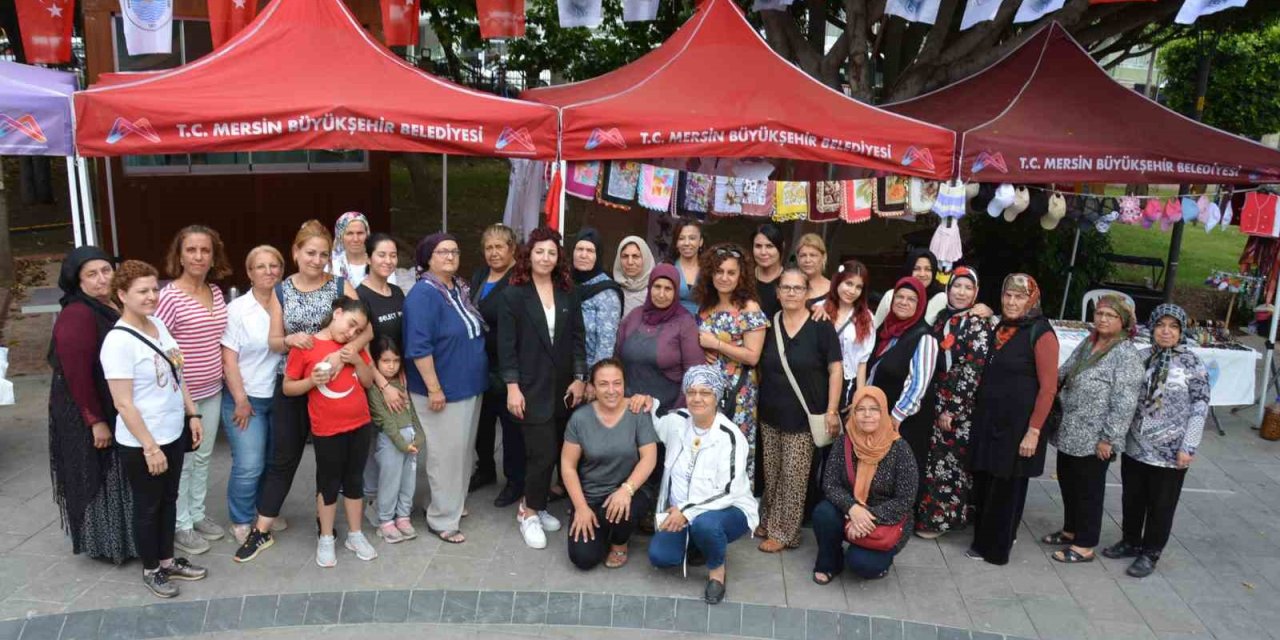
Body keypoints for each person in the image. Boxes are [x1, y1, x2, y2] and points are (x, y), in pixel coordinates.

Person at [234, 220, 363, 563]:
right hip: (292, 383)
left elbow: (365, 328)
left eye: (323, 254)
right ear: (295, 252)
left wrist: (343, 352)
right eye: (310, 253)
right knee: (284, 457)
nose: (317, 260)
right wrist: (289, 339)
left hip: (333, 382)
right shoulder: (282, 290)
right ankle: (261, 529)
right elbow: (273, 341)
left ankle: (326, 526)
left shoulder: (340, 285)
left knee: (329, 460)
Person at [101, 260, 209, 598]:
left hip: (173, 430)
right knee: (148, 506)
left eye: (154, 289)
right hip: (143, 442)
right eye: (142, 291)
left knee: (169, 499)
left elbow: (178, 373)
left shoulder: (159, 324)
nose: (151, 296)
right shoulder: (118, 342)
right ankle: (152, 569)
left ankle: (167, 559)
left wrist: (192, 414)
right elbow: (123, 403)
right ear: (122, 295)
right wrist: (150, 447)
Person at [1102, 304, 1208, 578]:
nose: (1166, 331)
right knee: (1132, 497)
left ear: (1181, 331)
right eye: (1160, 325)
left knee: (1161, 504)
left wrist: (1189, 446)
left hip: (1170, 450)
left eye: (1173, 326)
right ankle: (1130, 541)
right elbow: (1124, 398)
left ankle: (1151, 552)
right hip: (1136, 444)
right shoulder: (1142, 357)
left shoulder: (1193, 364)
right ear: (1152, 328)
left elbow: (1200, 407)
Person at [499, 227, 588, 549]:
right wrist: (512, 387)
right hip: (529, 386)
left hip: (563, 388)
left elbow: (578, 338)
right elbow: (506, 346)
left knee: (557, 451)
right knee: (542, 453)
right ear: (529, 255)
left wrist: (580, 377)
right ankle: (528, 512)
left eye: (551, 252)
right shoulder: (513, 295)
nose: (545, 258)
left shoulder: (568, 292)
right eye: (540, 252)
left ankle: (537, 502)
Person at [48, 246, 136, 564]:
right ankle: (109, 545)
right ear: (78, 280)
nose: (101, 279)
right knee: (101, 476)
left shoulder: (111, 304)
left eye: (106, 271)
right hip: (85, 407)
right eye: (92, 274)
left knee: (120, 475)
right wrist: (95, 420)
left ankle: (128, 540)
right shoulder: (78, 313)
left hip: (112, 403)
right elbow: (77, 375)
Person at [403, 232, 489, 544]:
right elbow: (419, 347)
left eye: (454, 251)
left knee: (462, 453)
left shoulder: (456, 288)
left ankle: (450, 502)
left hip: (468, 385)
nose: (450, 256)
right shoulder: (423, 295)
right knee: (445, 456)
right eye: (442, 252)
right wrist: (434, 388)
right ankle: (441, 518)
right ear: (428, 258)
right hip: (443, 390)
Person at [967, 274, 1058, 566]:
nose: (1011, 302)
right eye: (1008, 295)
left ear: (1031, 300)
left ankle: (994, 549)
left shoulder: (1041, 334)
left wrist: (1034, 431)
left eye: (1019, 297)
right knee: (986, 481)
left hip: (1018, 427)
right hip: (991, 420)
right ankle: (987, 537)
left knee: (1006, 487)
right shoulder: (1003, 327)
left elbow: (1048, 388)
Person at [649, 366, 759, 605]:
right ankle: (698, 545)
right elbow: (654, 421)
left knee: (706, 525)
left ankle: (717, 573)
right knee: (661, 556)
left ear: (716, 397)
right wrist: (645, 402)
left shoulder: (729, 436)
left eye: (705, 393)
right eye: (691, 392)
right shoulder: (677, 422)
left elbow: (728, 491)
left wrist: (686, 511)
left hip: (728, 509)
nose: (697, 398)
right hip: (680, 511)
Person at [1046, 294, 1143, 564]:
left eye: (1110, 315)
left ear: (1123, 321)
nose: (1103, 319)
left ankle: (1085, 544)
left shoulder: (1126, 354)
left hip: (1095, 436)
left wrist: (1109, 439)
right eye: (1100, 313)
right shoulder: (1090, 342)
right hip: (1071, 428)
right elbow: (1065, 370)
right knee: (1068, 481)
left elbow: (1125, 402)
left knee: (1088, 489)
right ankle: (1070, 530)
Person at [282, 297, 379, 567]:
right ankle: (326, 537)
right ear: (337, 313)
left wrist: (357, 361)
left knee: (355, 480)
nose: (351, 333)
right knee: (328, 482)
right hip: (327, 429)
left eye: (358, 331)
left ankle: (355, 534)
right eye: (351, 324)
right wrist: (312, 381)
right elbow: (288, 387)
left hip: (360, 424)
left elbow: (369, 382)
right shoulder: (307, 346)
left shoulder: (353, 348)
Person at [155, 225, 230, 556]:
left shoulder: (215, 292)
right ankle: (180, 524)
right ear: (180, 256)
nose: (199, 256)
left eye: (205, 250)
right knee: (183, 462)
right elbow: (159, 348)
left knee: (202, 457)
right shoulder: (169, 297)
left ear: (214, 257)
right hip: (181, 396)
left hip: (212, 390)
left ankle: (197, 514)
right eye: (192, 250)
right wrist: (184, 402)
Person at [756, 269, 843, 552]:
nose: (791, 293)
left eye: (797, 288)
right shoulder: (770, 323)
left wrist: (832, 410)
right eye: (786, 288)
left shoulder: (821, 325)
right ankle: (768, 520)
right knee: (772, 473)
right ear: (778, 292)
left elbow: (835, 369)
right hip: (770, 412)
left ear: (807, 293)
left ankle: (786, 533)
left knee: (793, 477)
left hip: (805, 416)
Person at [916, 266, 994, 539]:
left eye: (967, 288)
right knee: (933, 460)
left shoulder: (977, 323)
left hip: (957, 408)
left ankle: (941, 520)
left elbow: (973, 371)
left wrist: (953, 410)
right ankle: (926, 514)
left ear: (976, 292)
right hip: (934, 400)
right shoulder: (942, 318)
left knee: (948, 464)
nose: (961, 292)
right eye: (956, 286)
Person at [811, 387, 918, 584]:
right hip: (850, 509)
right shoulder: (845, 442)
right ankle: (830, 562)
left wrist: (866, 517)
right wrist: (852, 509)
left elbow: (905, 499)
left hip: (884, 518)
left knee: (863, 564)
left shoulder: (900, 449)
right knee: (823, 513)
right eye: (860, 409)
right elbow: (831, 483)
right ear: (854, 413)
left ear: (883, 412)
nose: (867, 415)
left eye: (874, 409)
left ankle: (875, 557)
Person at [563, 359, 659, 570]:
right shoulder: (580, 418)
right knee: (583, 558)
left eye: (617, 383)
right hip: (592, 494)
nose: (611, 390)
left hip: (629, 490)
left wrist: (626, 490)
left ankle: (619, 542)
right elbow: (567, 465)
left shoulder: (637, 412)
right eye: (603, 384)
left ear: (624, 384)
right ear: (593, 387)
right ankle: (603, 527)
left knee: (621, 513)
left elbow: (649, 458)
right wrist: (581, 508)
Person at [220, 246, 285, 545]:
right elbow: (229, 359)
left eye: (274, 265)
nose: (269, 271)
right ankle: (241, 519)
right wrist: (240, 399)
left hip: (280, 396)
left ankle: (264, 512)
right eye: (261, 266)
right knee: (249, 464)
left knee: (273, 462)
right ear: (249, 273)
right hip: (248, 398)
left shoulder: (287, 303)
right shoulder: (238, 310)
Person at [695, 244, 767, 483]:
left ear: (741, 276)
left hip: (739, 393)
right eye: (719, 271)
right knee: (707, 451)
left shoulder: (749, 308)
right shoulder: (706, 306)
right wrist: (703, 350)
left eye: (731, 272)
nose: (724, 277)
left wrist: (716, 344)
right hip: (707, 391)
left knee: (735, 450)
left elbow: (753, 356)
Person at [354, 232, 408, 521]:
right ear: (368, 258)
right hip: (372, 380)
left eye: (393, 255)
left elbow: (403, 338)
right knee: (375, 442)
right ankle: (373, 500)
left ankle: (391, 499)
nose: (388, 260)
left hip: (395, 377)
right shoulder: (359, 296)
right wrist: (383, 384)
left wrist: (401, 375)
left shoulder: (397, 293)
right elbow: (361, 346)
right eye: (381, 255)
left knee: (393, 440)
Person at [470, 224, 523, 504]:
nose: (493, 253)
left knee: (511, 425)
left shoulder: (520, 278)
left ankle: (515, 480)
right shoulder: (480, 275)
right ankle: (485, 469)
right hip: (480, 362)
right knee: (483, 421)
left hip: (508, 364)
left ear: (511, 248)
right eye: (488, 248)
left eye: (499, 247)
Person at [867, 277, 938, 485]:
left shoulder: (924, 337)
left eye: (911, 299)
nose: (904, 302)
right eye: (900, 297)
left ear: (920, 305)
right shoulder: (884, 331)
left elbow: (918, 384)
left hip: (903, 423)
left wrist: (895, 417)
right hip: (877, 418)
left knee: (897, 480)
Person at [615, 264, 704, 413]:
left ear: (676, 292)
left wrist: (676, 414)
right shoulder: (634, 316)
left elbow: (694, 374)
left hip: (667, 412)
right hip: (629, 408)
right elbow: (616, 359)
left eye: (668, 289)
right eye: (657, 287)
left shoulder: (685, 323)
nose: (661, 294)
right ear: (650, 287)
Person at [366, 336, 425, 544]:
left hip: (410, 441)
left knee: (408, 482)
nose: (391, 366)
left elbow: (412, 412)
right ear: (376, 361)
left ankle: (403, 516)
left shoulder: (402, 382)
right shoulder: (374, 388)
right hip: (391, 441)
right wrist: (402, 444)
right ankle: (385, 520)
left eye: (396, 361)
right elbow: (385, 420)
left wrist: (419, 437)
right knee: (390, 482)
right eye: (385, 361)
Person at [825, 260, 874, 412]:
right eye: (849, 283)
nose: (852, 291)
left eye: (858, 287)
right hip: (820, 380)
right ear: (838, 282)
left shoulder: (866, 318)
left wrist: (859, 396)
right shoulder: (821, 309)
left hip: (848, 384)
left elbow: (862, 362)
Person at [572, 227, 623, 367]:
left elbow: (605, 348)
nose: (583, 255)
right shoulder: (564, 283)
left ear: (598, 255)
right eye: (579, 249)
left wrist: (594, 377)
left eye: (590, 251)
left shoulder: (606, 293)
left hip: (588, 371)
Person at [873, 249, 948, 328]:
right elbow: (876, 327)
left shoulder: (939, 298)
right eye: (916, 269)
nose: (922, 274)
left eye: (928, 269)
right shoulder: (891, 295)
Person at [331, 211, 395, 289]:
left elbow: (391, 292)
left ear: (367, 234)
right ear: (340, 236)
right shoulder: (331, 264)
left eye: (360, 233)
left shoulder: (382, 262)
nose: (355, 239)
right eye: (350, 233)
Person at [613, 235, 656, 318]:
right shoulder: (612, 291)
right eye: (625, 256)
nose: (630, 262)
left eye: (635, 256)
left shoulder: (657, 290)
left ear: (645, 258)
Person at [751, 224, 786, 320]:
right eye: (758, 246)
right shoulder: (744, 279)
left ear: (781, 247)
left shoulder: (791, 280)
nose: (763, 252)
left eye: (769, 246)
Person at [671, 220, 705, 315]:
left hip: (703, 321)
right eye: (681, 238)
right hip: (671, 321)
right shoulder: (666, 267)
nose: (686, 243)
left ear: (701, 242)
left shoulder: (709, 269)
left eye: (692, 238)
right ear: (676, 242)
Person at [794, 233, 831, 309]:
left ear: (823, 257)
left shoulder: (834, 289)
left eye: (813, 255)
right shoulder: (788, 286)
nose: (808, 260)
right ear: (797, 259)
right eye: (803, 255)